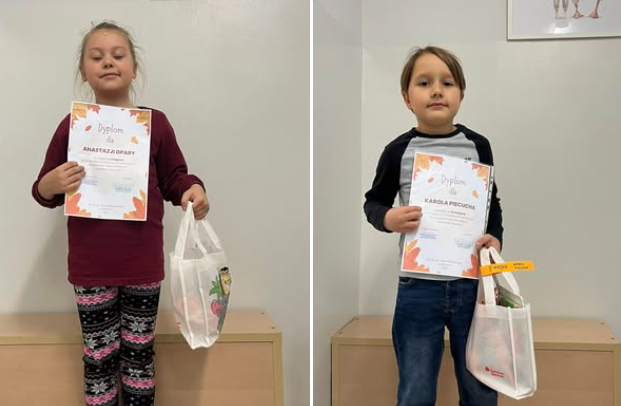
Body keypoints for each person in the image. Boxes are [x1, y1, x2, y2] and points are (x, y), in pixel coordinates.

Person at [32, 21, 209, 406]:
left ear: (134, 68)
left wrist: (191, 190)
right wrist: (51, 183)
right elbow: (43, 191)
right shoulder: (73, 127)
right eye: (97, 57)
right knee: (99, 357)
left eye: (118, 55)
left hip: (142, 264)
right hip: (91, 266)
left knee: (139, 355)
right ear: (83, 72)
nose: (108, 62)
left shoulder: (155, 124)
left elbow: (174, 178)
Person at [363, 46, 504, 406]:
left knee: (480, 382)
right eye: (424, 83)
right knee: (416, 384)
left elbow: (491, 202)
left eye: (448, 83)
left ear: (461, 94)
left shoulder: (478, 145)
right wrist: (389, 218)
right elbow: (374, 203)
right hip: (418, 286)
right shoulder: (398, 150)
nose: (437, 91)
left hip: (471, 283)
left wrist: (495, 237)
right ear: (406, 98)